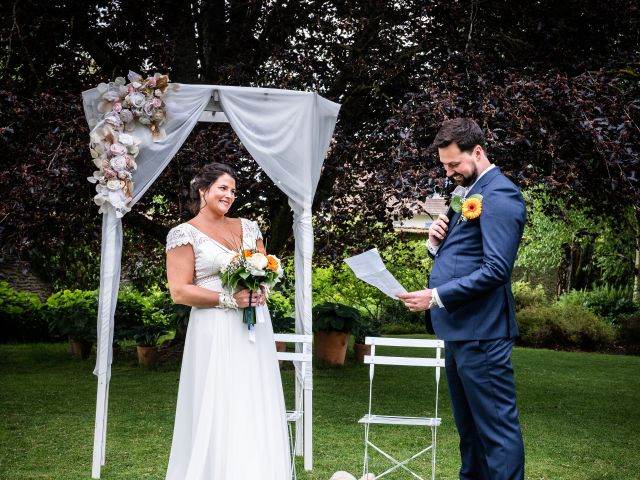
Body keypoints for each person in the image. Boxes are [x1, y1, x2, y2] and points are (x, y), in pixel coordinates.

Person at [397, 118, 526, 480]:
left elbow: (496, 269)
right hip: (459, 332)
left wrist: (436, 296)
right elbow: (465, 257)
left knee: (497, 430)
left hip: (482, 332)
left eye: (455, 164)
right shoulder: (467, 193)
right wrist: (435, 246)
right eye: (444, 165)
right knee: (469, 431)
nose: (450, 172)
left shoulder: (500, 195)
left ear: (479, 152)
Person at [164, 162, 290, 479]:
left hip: (253, 327)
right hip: (213, 328)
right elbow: (179, 291)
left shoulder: (248, 227)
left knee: (252, 396)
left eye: (233, 191)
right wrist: (228, 299)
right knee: (218, 400)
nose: (229, 195)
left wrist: (261, 289)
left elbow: (266, 267)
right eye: (222, 188)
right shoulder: (183, 234)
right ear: (203, 190)